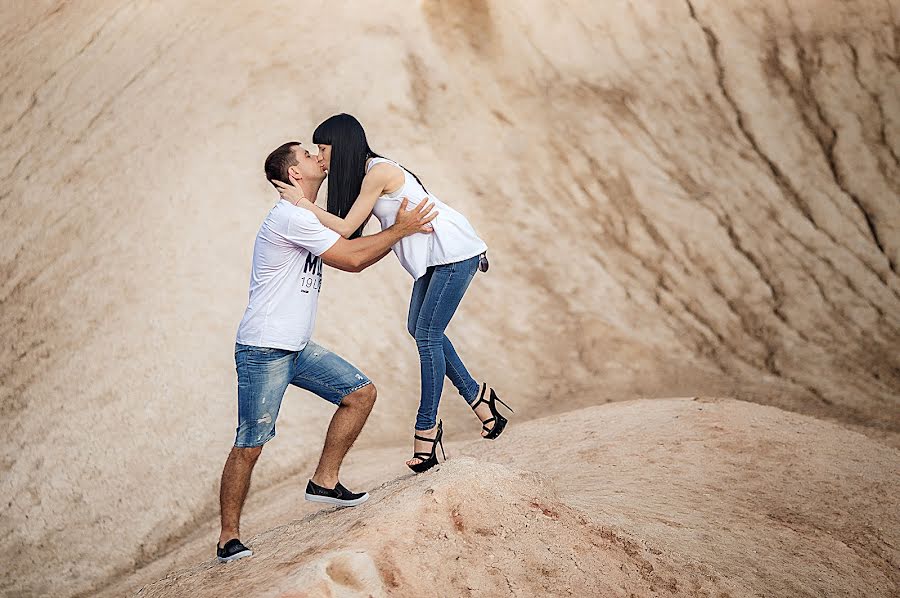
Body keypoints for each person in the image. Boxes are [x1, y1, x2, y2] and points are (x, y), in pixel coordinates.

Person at [217, 141, 437, 563]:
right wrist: (399, 230)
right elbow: (352, 259)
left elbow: (354, 246)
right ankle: (228, 537)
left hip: (296, 346)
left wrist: (393, 228)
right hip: (265, 348)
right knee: (251, 442)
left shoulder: (305, 216)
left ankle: (324, 481)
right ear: (295, 174)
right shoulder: (289, 218)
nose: (319, 156)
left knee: (360, 394)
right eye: (306, 154)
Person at [274, 114, 512, 474]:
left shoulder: (379, 173)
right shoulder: (364, 178)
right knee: (419, 330)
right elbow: (350, 239)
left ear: (342, 144)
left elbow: (346, 226)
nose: (320, 157)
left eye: (323, 148)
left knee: (427, 336)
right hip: (436, 258)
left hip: (454, 251)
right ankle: (481, 401)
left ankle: (427, 429)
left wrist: (303, 204)